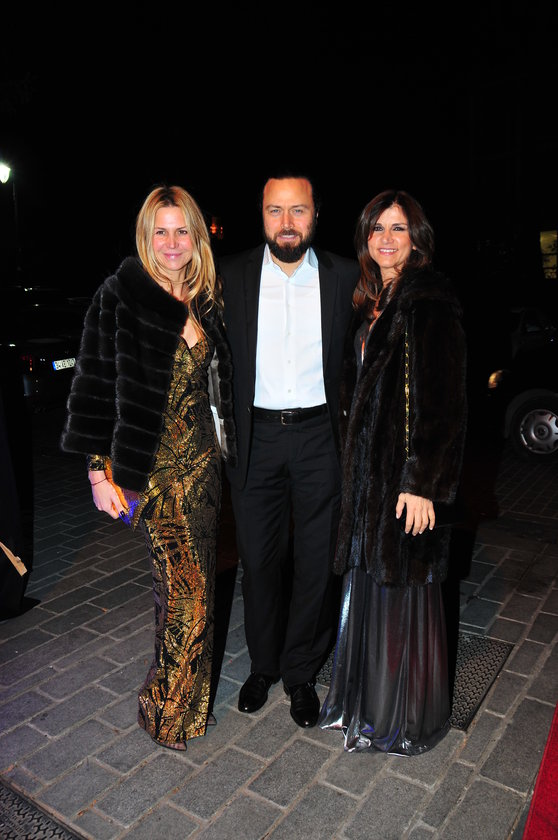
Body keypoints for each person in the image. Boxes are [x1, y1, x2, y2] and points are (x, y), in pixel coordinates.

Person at [61, 185, 236, 750]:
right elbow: (93, 384)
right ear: (146, 236)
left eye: (182, 230)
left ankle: (188, 708)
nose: (171, 242)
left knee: (199, 589)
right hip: (152, 472)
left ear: (197, 236)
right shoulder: (120, 296)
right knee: (186, 597)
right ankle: (163, 711)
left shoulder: (205, 299)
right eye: (160, 231)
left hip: (203, 469)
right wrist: (97, 473)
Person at [318, 189, 467, 754]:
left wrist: (424, 483)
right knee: (369, 586)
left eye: (398, 228)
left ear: (416, 239)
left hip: (402, 480)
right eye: (377, 228)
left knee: (401, 590)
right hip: (368, 481)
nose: (385, 238)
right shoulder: (372, 300)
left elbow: (445, 401)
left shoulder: (428, 300)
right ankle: (363, 705)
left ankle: (400, 718)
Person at [219, 172, 359, 728]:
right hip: (256, 438)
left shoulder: (345, 276)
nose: (286, 223)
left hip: (321, 436)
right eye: (275, 210)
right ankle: (263, 665)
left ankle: (300, 673)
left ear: (315, 214)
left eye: (297, 210)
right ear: (261, 215)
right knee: (258, 561)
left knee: (316, 561)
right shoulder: (232, 275)